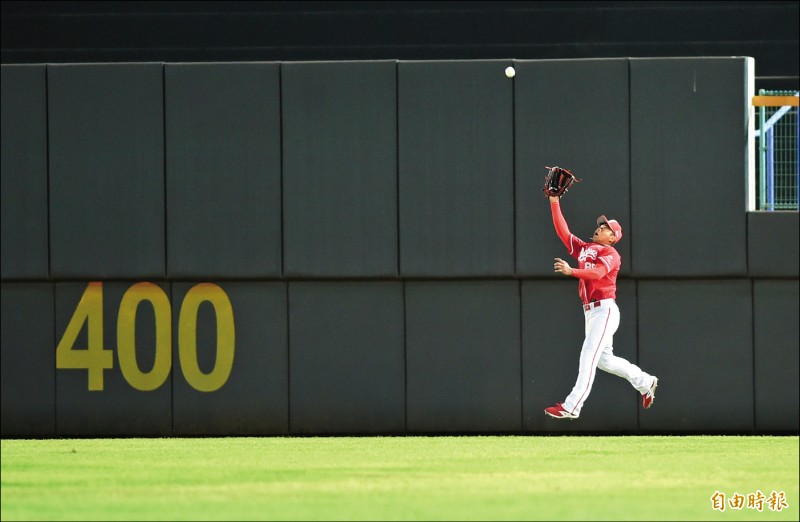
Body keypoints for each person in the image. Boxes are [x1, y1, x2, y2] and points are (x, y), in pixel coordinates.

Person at [544, 195, 658, 419]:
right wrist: (554, 201)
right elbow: (563, 232)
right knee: (605, 361)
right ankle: (646, 382)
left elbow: (597, 273)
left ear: (613, 237)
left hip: (604, 310)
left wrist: (571, 271)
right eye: (600, 226)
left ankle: (572, 406)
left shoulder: (611, 253)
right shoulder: (585, 248)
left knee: (588, 354)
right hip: (591, 312)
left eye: (605, 228)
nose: (600, 228)